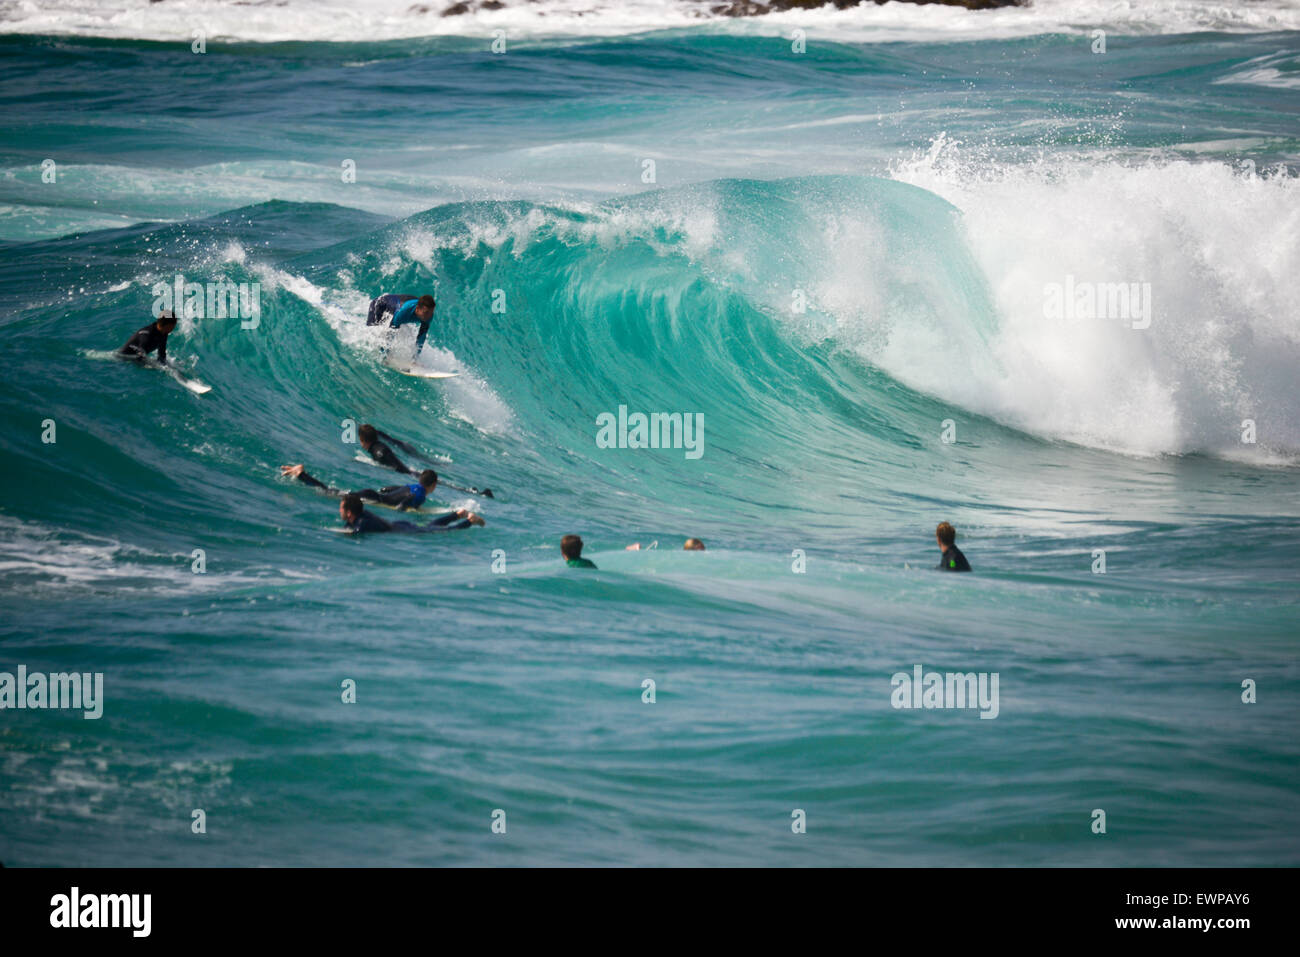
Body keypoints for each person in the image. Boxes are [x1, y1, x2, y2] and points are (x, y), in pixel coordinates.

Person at [281, 464, 485, 525]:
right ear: (432, 485)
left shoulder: (413, 485)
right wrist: (403, 510)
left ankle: (302, 475)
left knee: (332, 491)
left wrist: (384, 495)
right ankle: (302, 474)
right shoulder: (421, 494)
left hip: (374, 494)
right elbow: (406, 501)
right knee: (328, 494)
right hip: (373, 499)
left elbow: (390, 488)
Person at [337, 493, 479, 535]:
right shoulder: (361, 514)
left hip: (402, 529)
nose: (339, 511)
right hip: (399, 526)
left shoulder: (361, 523)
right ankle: (457, 515)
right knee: (430, 527)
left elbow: (354, 532)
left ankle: (470, 521)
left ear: (349, 513)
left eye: (341, 509)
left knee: (442, 530)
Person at [366, 293, 435, 356]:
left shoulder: (428, 315)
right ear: (417, 309)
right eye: (426, 312)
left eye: (431, 312)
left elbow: (421, 338)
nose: (429, 316)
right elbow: (391, 331)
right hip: (379, 304)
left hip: (395, 309)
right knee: (374, 331)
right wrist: (384, 355)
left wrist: (415, 359)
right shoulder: (404, 312)